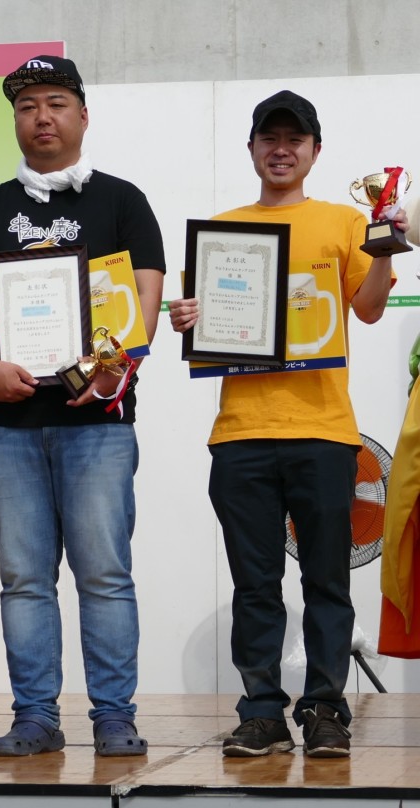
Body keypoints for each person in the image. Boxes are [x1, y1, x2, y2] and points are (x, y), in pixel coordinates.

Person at [168, 90, 408, 758]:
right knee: (255, 585)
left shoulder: (342, 221)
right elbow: (211, 328)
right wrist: (189, 319)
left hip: (325, 431)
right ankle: (262, 713)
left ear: (315, 150)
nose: (281, 150)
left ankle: (326, 708)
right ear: (251, 148)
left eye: (294, 139)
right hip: (240, 435)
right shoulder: (223, 231)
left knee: (327, 580)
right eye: (269, 138)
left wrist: (385, 248)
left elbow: (368, 309)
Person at [0, 56, 165, 757]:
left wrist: (113, 371)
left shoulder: (123, 201)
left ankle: (114, 715)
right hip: (9, 425)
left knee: (104, 574)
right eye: (27, 107)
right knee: (23, 578)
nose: (41, 117)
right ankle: (35, 716)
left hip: (99, 423)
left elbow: (145, 299)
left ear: (83, 115)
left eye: (56, 103)